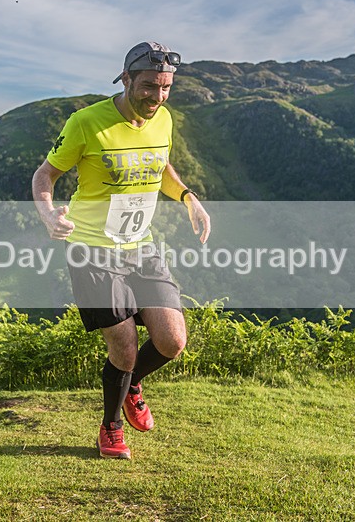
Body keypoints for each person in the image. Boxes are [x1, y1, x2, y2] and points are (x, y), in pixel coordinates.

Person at [32, 41, 210, 460]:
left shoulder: (163, 119)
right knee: (124, 345)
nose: (157, 97)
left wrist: (189, 198)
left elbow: (160, 165)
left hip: (141, 247)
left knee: (172, 341)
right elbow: (45, 174)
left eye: (166, 88)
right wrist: (47, 213)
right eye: (149, 86)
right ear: (126, 78)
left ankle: (130, 384)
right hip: (92, 249)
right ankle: (111, 426)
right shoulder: (86, 123)